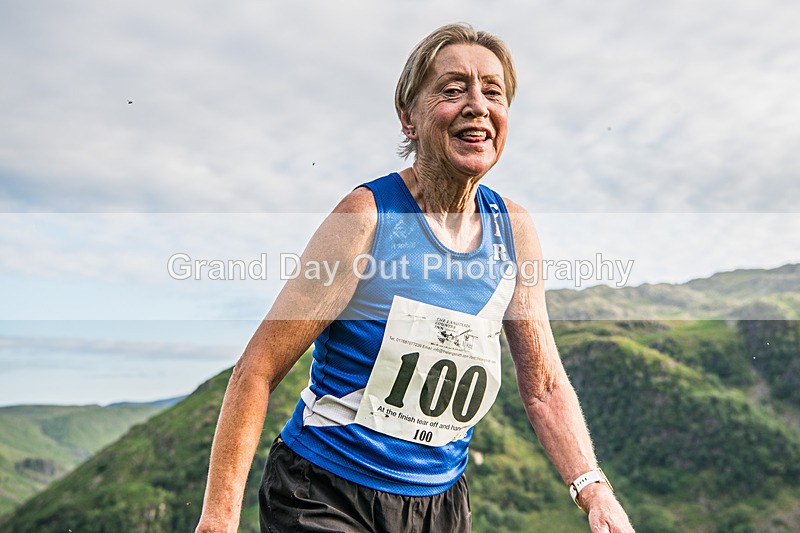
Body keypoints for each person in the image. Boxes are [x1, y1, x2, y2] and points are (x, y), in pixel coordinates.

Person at [196, 23, 634, 533]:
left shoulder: (514, 231)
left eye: (493, 92)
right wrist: (219, 518)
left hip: (439, 505)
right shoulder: (367, 217)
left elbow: (544, 387)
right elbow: (257, 369)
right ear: (409, 118)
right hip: (324, 493)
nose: (477, 105)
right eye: (452, 90)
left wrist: (594, 491)